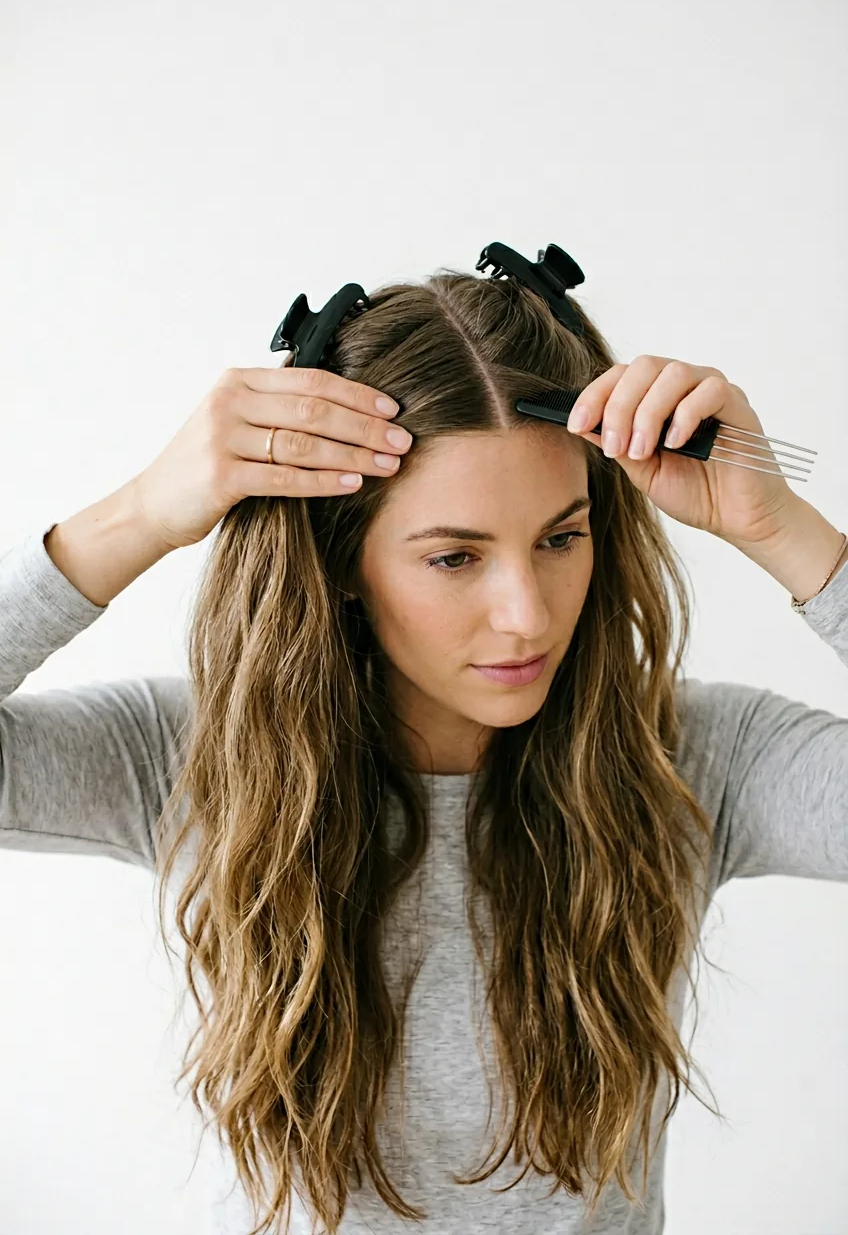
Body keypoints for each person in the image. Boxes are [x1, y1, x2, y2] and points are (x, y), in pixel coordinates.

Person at [1, 268, 846, 1235]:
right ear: (342, 562)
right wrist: (139, 514)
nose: (527, 616)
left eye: (561, 539)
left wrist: (788, 532)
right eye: (455, 557)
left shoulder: (692, 761)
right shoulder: (196, 760)